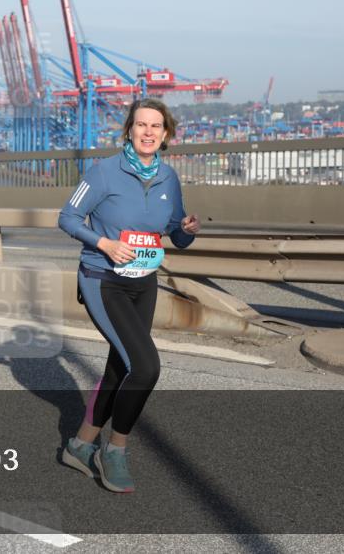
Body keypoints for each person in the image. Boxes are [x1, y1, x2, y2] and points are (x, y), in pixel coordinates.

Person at [58, 98, 200, 493]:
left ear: (166, 134)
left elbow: (175, 231)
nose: (149, 132)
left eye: (156, 126)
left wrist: (188, 228)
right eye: (141, 125)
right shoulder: (103, 172)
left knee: (121, 367)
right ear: (129, 130)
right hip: (103, 278)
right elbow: (67, 217)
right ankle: (115, 449)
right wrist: (103, 243)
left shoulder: (169, 178)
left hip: (144, 281)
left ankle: (80, 444)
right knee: (146, 366)